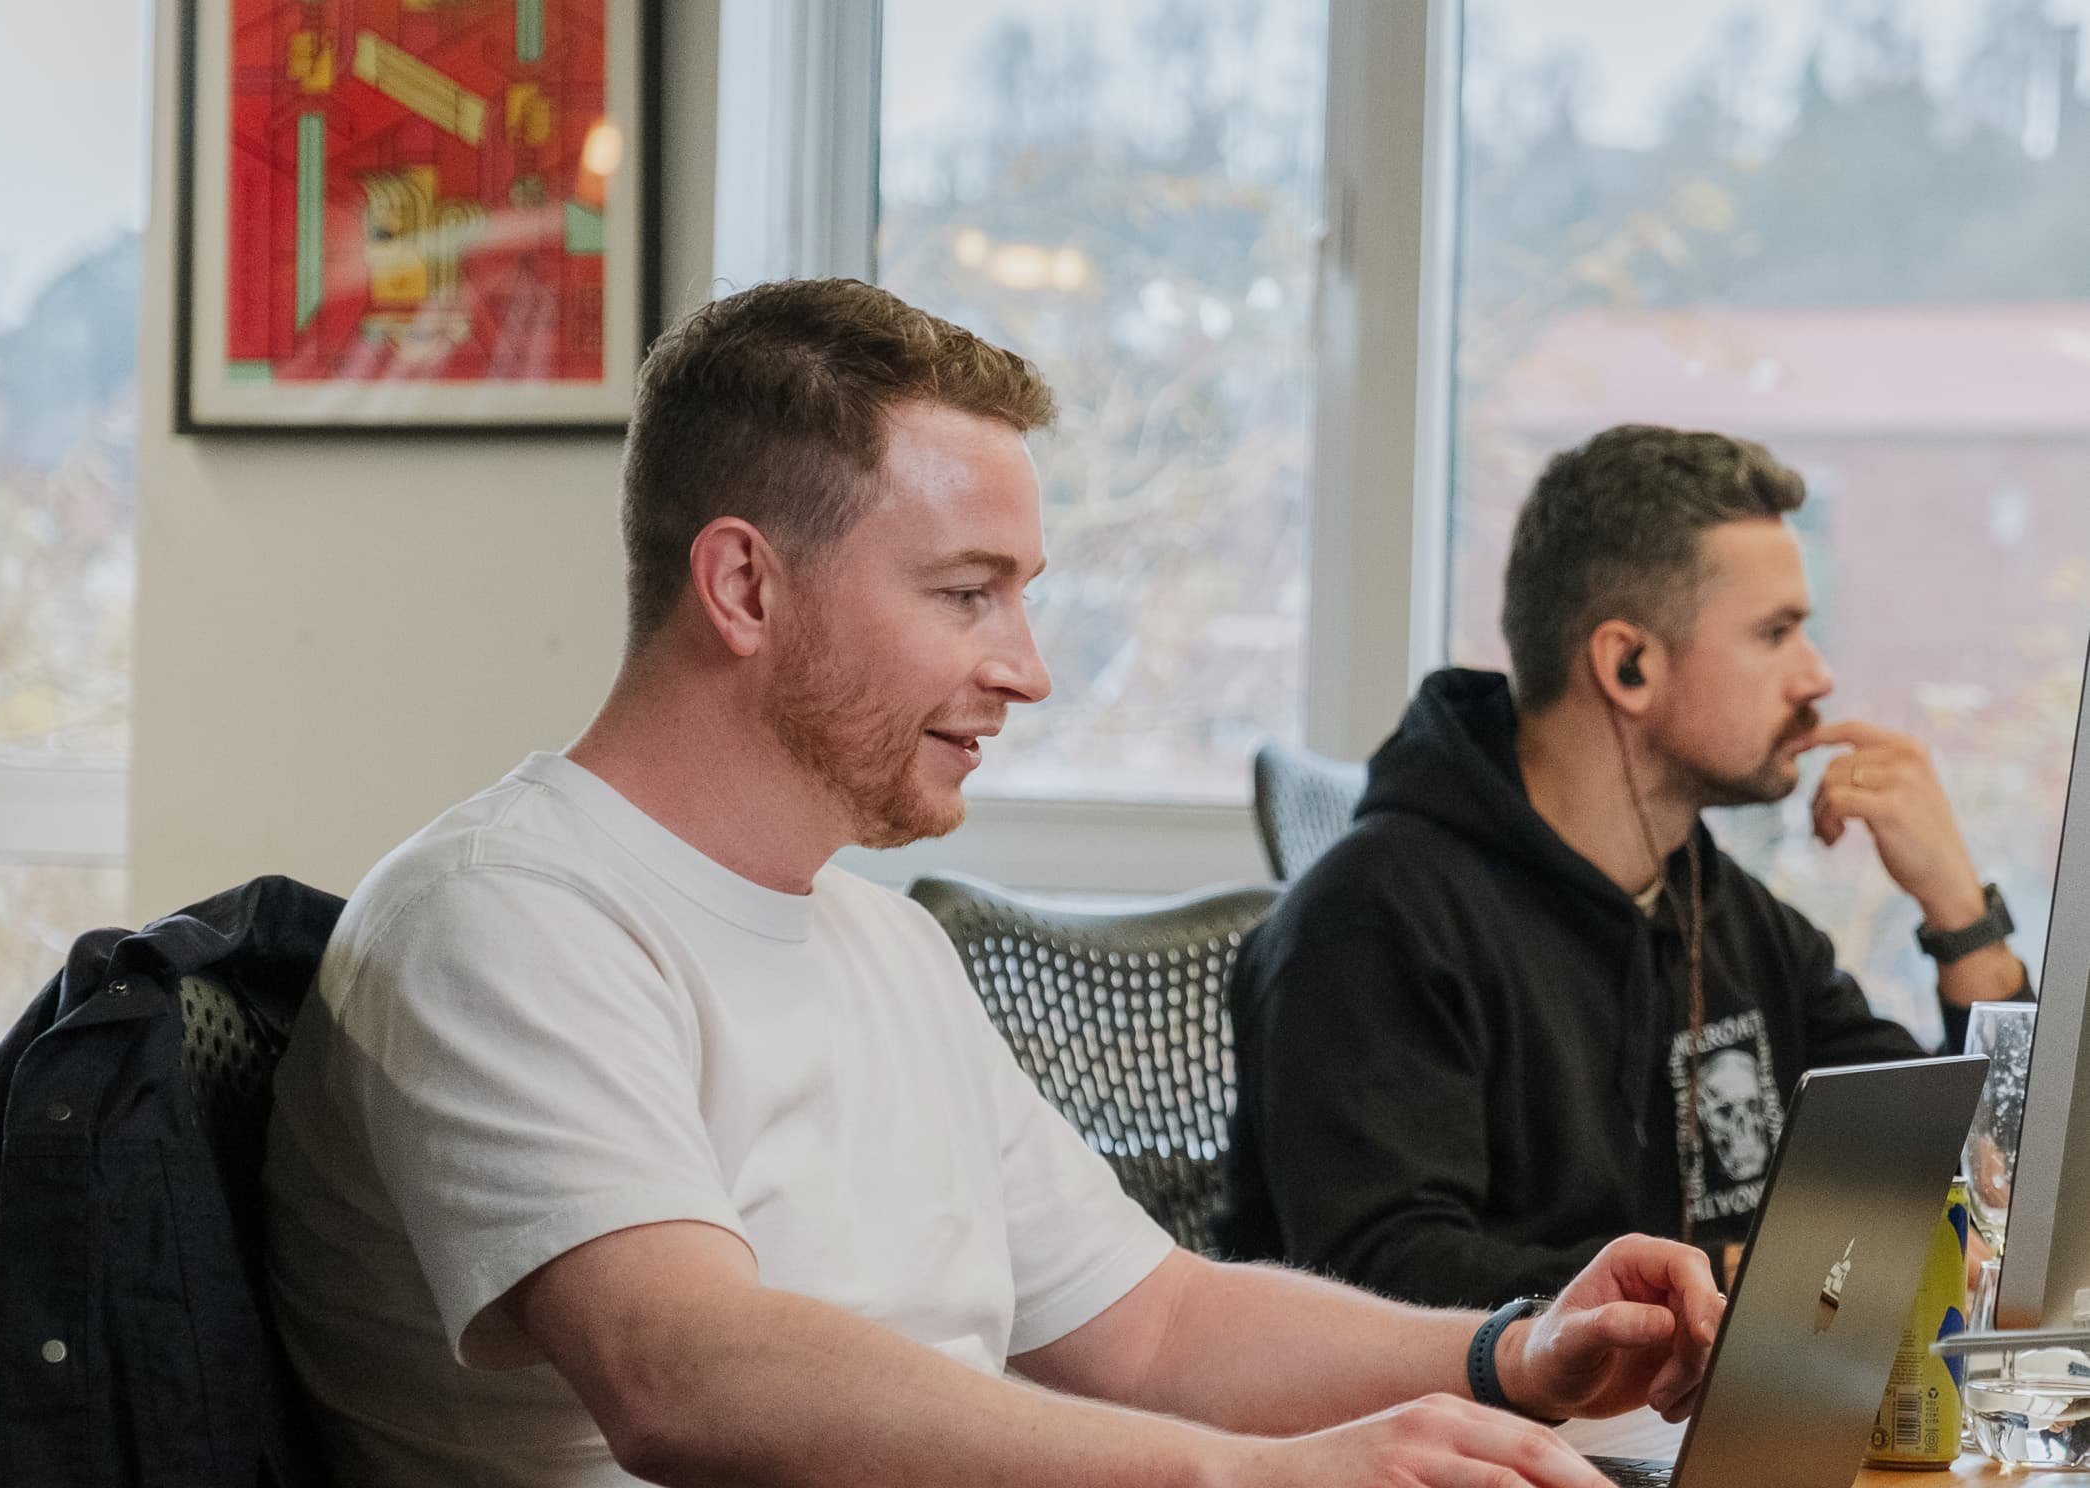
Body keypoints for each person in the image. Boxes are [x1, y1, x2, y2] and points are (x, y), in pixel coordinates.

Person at [262, 283, 1721, 1487]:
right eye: (967, 594)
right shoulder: (502, 916)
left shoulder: (880, 945)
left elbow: (1155, 1326)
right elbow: (680, 1371)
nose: (1026, 667)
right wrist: (1253, 1480)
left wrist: (1510, 1354)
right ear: (745, 588)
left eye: (1024, 596)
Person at [1217, 424, 2029, 1308]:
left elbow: (1974, 1181)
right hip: (1481, 1444)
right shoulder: (1372, 924)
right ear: (1629, 664)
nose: (1817, 675)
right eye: (1776, 633)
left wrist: (1960, 915)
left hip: (1689, 1440)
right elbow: (1386, 1281)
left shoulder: (1725, 915)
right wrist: (1737, 1284)